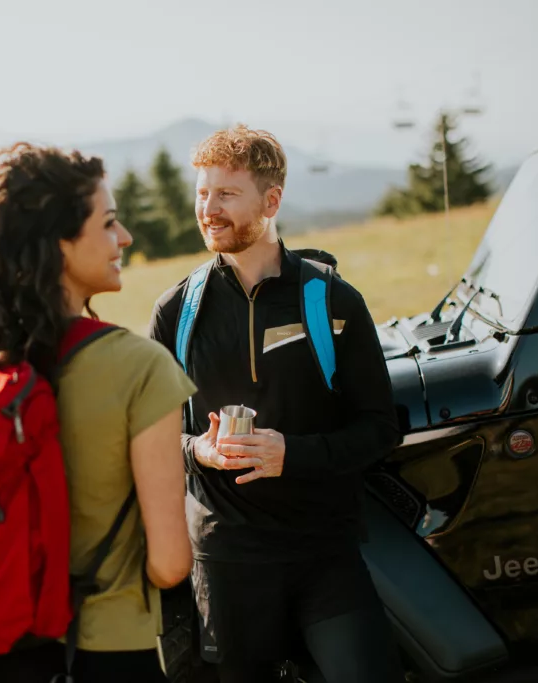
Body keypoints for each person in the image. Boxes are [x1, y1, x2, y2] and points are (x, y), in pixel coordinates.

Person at [0, 142, 196, 683]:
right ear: (59, 243)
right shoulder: (137, 367)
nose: (125, 238)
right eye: (109, 223)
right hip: (105, 654)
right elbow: (169, 565)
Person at [147, 125, 405, 683]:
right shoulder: (176, 312)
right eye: (202, 192)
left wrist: (293, 454)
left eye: (226, 194)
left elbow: (381, 427)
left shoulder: (332, 299)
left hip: (324, 555)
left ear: (272, 200)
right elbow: (151, 440)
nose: (207, 209)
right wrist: (201, 451)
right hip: (226, 563)